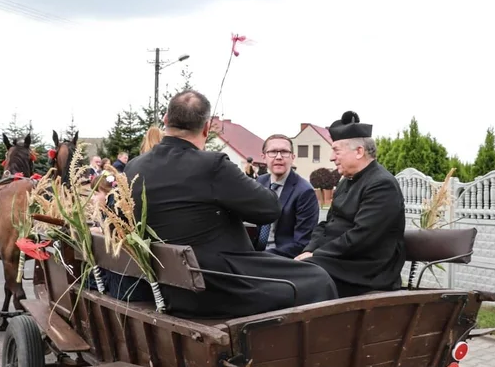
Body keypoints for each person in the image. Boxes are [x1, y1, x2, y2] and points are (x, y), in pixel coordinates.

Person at [124, 89, 338, 317]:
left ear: (166, 121)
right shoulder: (212, 165)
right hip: (222, 286)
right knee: (318, 278)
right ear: (206, 128)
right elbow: (269, 209)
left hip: (169, 287)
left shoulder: (134, 167)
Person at [297, 111, 406, 297]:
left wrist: (317, 255)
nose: (332, 157)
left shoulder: (381, 184)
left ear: (359, 152)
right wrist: (309, 249)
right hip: (343, 259)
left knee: (302, 273)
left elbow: (362, 237)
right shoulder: (346, 181)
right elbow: (327, 225)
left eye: (336, 150)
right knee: (287, 266)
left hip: (367, 269)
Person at [253, 134, 320, 258]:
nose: (279, 157)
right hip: (255, 250)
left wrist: (261, 256)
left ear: (292, 157)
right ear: (263, 157)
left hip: (283, 257)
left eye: (284, 152)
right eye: (273, 152)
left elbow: (302, 243)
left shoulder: (305, 191)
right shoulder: (259, 183)